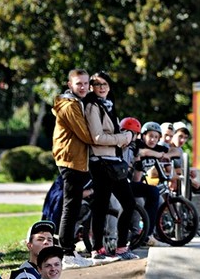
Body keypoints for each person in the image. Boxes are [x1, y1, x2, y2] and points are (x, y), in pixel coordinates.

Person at [83, 71, 139, 261]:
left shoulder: (108, 105)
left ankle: (122, 248)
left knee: (128, 203)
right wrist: (124, 138)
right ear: (92, 87)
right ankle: (97, 249)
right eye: (97, 84)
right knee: (101, 205)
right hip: (100, 162)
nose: (101, 87)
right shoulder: (92, 106)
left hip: (113, 162)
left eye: (104, 83)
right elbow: (97, 138)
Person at [51, 68, 95, 269]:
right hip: (70, 161)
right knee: (70, 207)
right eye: (79, 83)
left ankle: (69, 250)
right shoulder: (69, 105)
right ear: (70, 85)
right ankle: (66, 252)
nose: (83, 87)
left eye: (86, 83)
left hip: (76, 161)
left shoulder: (77, 102)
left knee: (74, 205)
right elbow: (86, 134)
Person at [119, 117, 165, 248]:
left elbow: (137, 178)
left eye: (156, 137)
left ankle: (147, 234)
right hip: (118, 183)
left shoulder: (135, 146)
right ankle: (138, 233)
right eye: (150, 136)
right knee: (139, 200)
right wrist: (158, 155)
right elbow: (142, 152)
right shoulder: (133, 145)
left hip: (128, 182)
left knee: (153, 193)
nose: (153, 140)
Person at [169, 121, 200, 194]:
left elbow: (180, 167)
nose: (182, 140)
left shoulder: (180, 150)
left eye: (185, 138)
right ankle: (198, 186)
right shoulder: (166, 147)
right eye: (180, 136)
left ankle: (196, 186)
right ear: (173, 135)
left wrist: (189, 171)